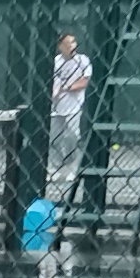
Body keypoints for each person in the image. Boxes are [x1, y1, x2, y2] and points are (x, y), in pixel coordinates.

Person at [47, 30, 93, 192]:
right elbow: (52, 84)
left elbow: (84, 81)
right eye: (68, 43)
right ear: (61, 46)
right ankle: (55, 169)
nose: (72, 46)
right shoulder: (55, 62)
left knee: (72, 136)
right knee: (54, 139)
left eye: (73, 42)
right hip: (55, 108)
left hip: (74, 107)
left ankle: (72, 168)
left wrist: (66, 87)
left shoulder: (83, 61)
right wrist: (55, 93)